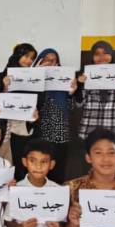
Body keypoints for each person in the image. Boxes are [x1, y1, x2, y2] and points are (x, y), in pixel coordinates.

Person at [32, 49, 76, 184]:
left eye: (53, 60)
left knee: (57, 164)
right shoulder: (32, 78)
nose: (50, 63)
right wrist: (36, 74)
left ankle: (56, 192)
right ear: (39, 61)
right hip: (38, 126)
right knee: (39, 161)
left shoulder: (65, 80)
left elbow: (71, 108)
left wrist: (71, 93)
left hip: (59, 126)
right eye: (46, 60)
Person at [74, 41, 115, 142]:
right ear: (92, 56)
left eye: (105, 53)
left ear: (111, 55)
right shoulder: (85, 76)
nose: (101, 57)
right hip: (90, 129)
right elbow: (79, 103)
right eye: (97, 54)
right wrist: (79, 85)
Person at [1, 44, 38, 175]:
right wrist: (5, 87)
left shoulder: (34, 78)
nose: (29, 61)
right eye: (26, 56)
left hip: (23, 128)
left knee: (21, 163)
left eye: (32, 58)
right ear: (18, 55)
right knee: (6, 164)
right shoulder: (4, 76)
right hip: (5, 129)